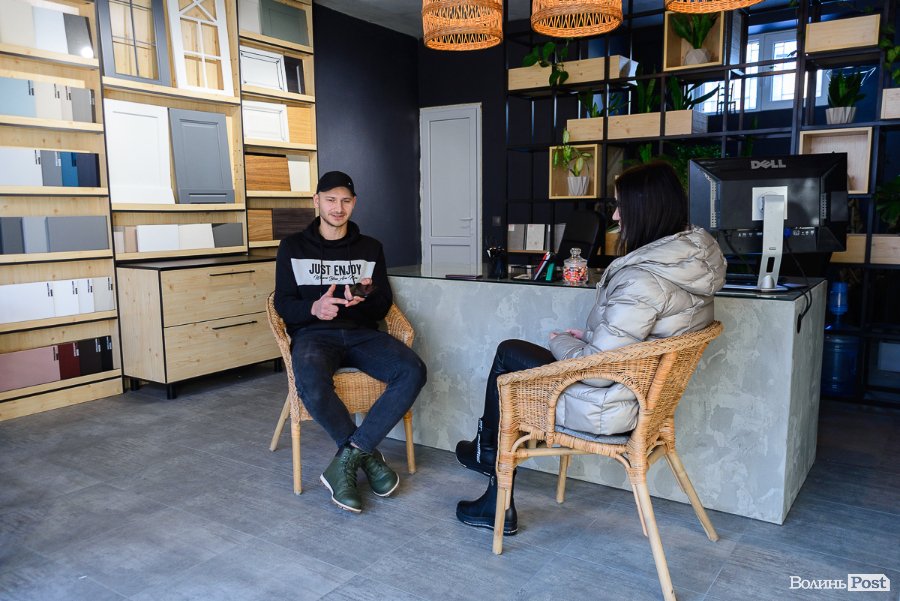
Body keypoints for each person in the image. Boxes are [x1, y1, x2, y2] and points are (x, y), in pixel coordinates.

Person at [454, 161, 726, 534]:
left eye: (620, 207)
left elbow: (596, 373)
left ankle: (488, 458)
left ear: (645, 210)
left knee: (509, 358)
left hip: (607, 405)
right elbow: (638, 343)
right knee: (515, 361)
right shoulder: (690, 266)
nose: (615, 216)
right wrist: (587, 339)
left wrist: (562, 341)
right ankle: (486, 453)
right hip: (640, 399)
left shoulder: (643, 280)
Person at [274, 171, 427, 513]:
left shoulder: (370, 248)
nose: (338, 208)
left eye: (345, 200)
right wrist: (313, 308)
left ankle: (349, 457)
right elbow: (283, 302)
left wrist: (363, 300)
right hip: (314, 335)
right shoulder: (292, 247)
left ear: (354, 203)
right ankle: (368, 458)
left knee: (412, 370)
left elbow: (383, 302)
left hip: (361, 334)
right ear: (316, 201)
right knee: (309, 378)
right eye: (330, 199)